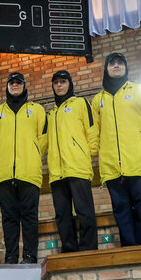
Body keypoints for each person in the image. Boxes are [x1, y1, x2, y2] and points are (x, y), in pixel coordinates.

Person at [91, 53, 141, 247]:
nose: (117, 66)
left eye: (121, 63)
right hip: (112, 166)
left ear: (126, 67)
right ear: (106, 69)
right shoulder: (98, 100)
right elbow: (95, 131)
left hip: (138, 162)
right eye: (112, 64)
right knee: (121, 209)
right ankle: (129, 250)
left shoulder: (139, 91)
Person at [0, 72, 47, 264]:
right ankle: (11, 256)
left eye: (18, 83)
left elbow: (43, 139)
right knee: (9, 218)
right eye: (11, 83)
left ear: (24, 86)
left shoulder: (36, 109)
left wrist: (34, 154)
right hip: (5, 173)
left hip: (29, 172)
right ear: (7, 86)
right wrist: (1, 153)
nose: (15, 86)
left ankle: (30, 255)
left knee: (29, 217)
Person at [47, 70, 98, 252]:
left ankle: (88, 249)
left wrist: (87, 153)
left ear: (70, 83)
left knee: (84, 210)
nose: (59, 85)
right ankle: (69, 249)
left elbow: (92, 129)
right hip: (57, 171)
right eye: (56, 83)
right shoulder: (51, 113)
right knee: (62, 214)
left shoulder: (81, 103)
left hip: (78, 167)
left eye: (63, 81)